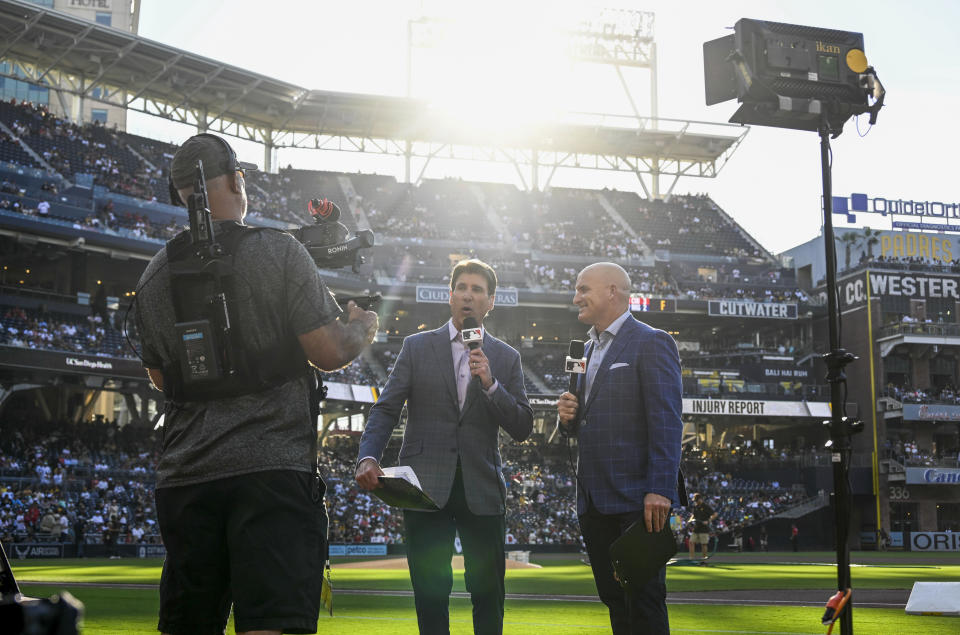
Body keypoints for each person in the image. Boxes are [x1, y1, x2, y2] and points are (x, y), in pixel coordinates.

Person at [135, 133, 378, 635]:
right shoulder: (279, 251)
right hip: (270, 472)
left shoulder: (153, 274)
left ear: (179, 192)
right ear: (236, 180)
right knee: (270, 623)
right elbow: (329, 352)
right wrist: (363, 326)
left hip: (184, 478)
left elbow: (160, 378)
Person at [355, 259, 533, 635]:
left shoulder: (505, 357)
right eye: (462, 287)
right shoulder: (417, 347)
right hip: (424, 491)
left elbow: (521, 427)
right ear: (450, 295)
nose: (468, 295)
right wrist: (368, 455)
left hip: (482, 489)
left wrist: (492, 386)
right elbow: (386, 409)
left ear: (491, 302)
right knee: (430, 593)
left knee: (488, 594)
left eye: (477, 290)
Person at [557, 262, 683, 635]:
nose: (575, 297)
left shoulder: (652, 340)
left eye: (583, 289)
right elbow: (581, 423)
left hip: (636, 499)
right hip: (593, 500)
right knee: (614, 599)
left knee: (644, 601)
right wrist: (566, 418)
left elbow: (667, 420)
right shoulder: (582, 349)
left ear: (612, 291)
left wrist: (660, 488)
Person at [688, 493, 716, 560]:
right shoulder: (695, 506)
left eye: (697, 500)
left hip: (704, 528)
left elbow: (714, 514)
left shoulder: (706, 506)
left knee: (704, 544)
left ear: (701, 499)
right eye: (695, 500)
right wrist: (690, 520)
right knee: (691, 542)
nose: (696, 501)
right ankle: (691, 559)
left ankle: (704, 559)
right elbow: (693, 515)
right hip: (696, 527)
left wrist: (708, 521)